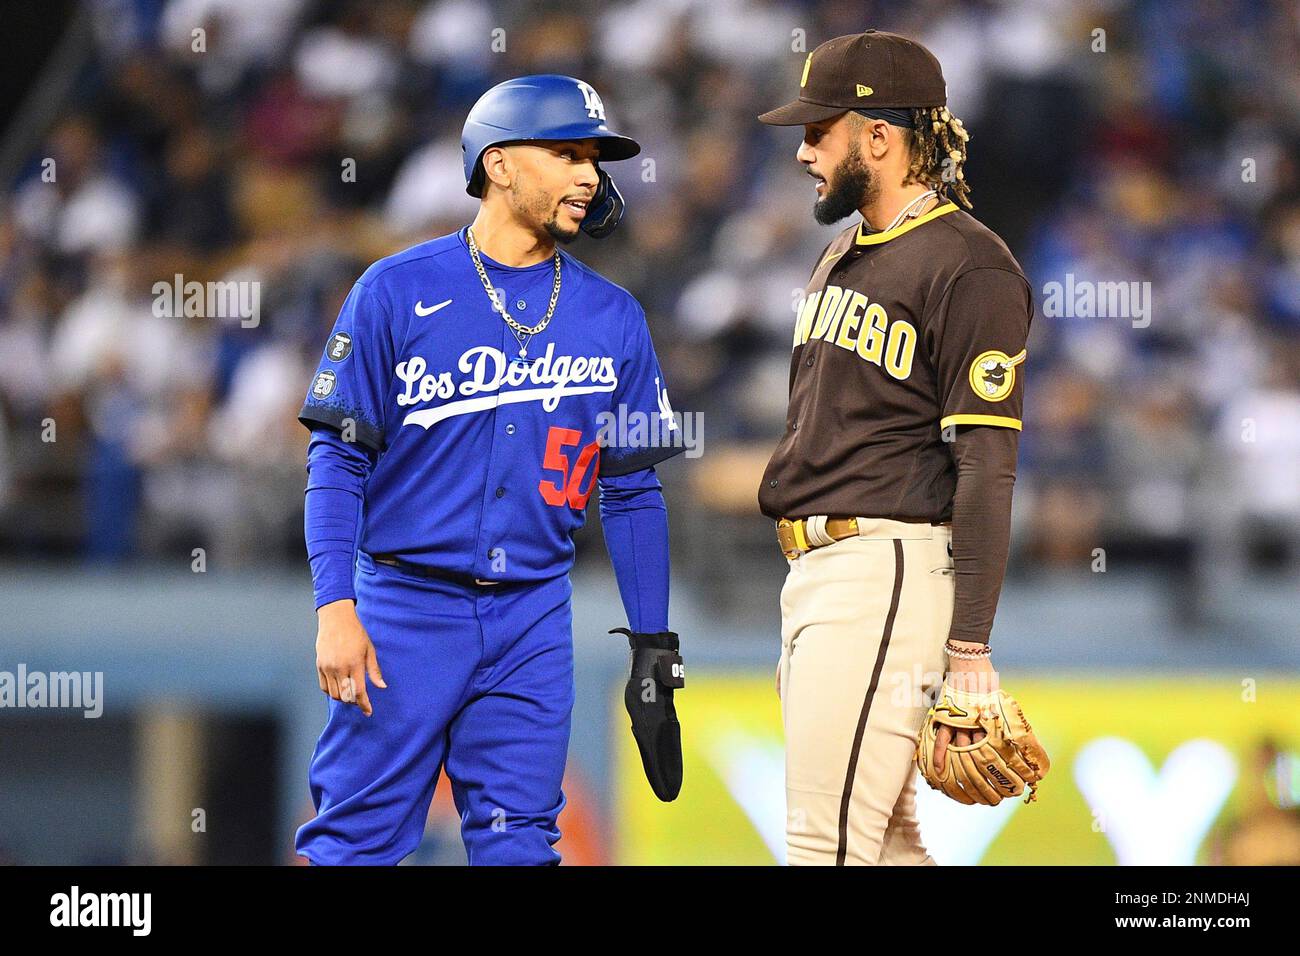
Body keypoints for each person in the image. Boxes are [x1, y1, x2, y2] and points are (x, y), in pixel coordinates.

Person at [294, 75, 686, 866]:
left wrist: (653, 645)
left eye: (595, 160)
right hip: (402, 606)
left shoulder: (615, 317)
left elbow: (634, 487)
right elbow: (336, 456)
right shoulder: (396, 290)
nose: (590, 176)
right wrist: (335, 604)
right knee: (353, 844)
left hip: (534, 616)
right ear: (499, 163)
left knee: (521, 845)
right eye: (568, 152)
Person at [757, 31, 1037, 865]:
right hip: (819, 575)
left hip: (884, 571)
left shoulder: (971, 265)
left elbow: (987, 462)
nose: (805, 150)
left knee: (824, 844)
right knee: (883, 843)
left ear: (879, 135)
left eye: (820, 130)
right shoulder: (842, 249)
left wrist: (971, 649)